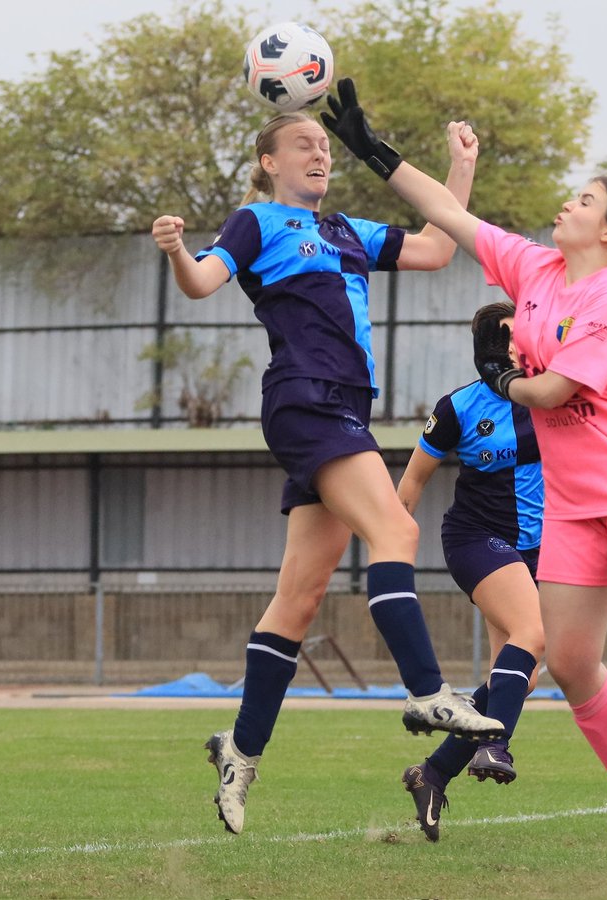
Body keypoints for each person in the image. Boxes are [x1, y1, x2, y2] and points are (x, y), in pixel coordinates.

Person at [321, 79, 607, 878]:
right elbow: (449, 215)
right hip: (574, 501)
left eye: (584, 199)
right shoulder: (537, 270)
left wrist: (503, 378)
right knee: (567, 661)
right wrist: (376, 154)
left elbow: (552, 391)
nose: (566, 204)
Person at [150, 110, 506, 836]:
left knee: (300, 598)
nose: (319, 154)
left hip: (342, 408)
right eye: (302, 145)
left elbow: (439, 247)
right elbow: (201, 283)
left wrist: (461, 165)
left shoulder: (346, 229)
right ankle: (427, 691)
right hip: (306, 400)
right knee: (395, 529)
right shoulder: (255, 221)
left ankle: (240, 750)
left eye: (323, 146)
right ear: (268, 161)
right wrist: (179, 251)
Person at [396, 300, 544, 842]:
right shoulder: (458, 407)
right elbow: (412, 482)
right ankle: (495, 746)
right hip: (476, 539)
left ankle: (432, 773)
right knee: (532, 633)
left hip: (537, 550)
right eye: (508, 337)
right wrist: (390, 557)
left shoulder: (549, 398)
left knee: (521, 676)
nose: (518, 346)